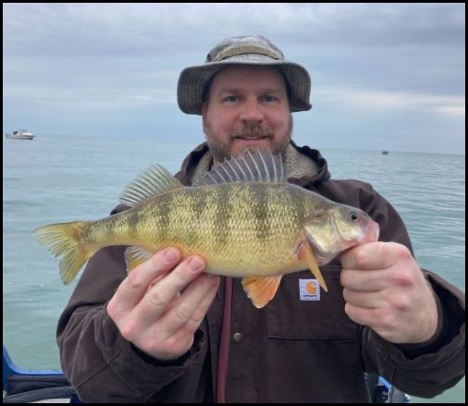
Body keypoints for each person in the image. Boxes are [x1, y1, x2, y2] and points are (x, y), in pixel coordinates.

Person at [56, 35, 465, 403]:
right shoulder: (145, 215)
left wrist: (428, 328)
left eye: (269, 98)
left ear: (290, 111)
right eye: (232, 98)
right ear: (204, 112)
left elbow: (426, 380)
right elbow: (87, 378)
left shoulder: (360, 204)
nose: (252, 114)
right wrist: (135, 350)